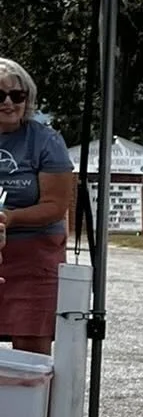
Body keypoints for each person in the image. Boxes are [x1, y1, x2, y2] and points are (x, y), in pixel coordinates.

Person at [0, 55, 76, 357]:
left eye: (17, 95)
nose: (8, 103)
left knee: (30, 349)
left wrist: (9, 218)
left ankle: (28, 404)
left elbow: (56, 205)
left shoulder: (46, 140)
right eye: (0, 95)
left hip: (34, 254)